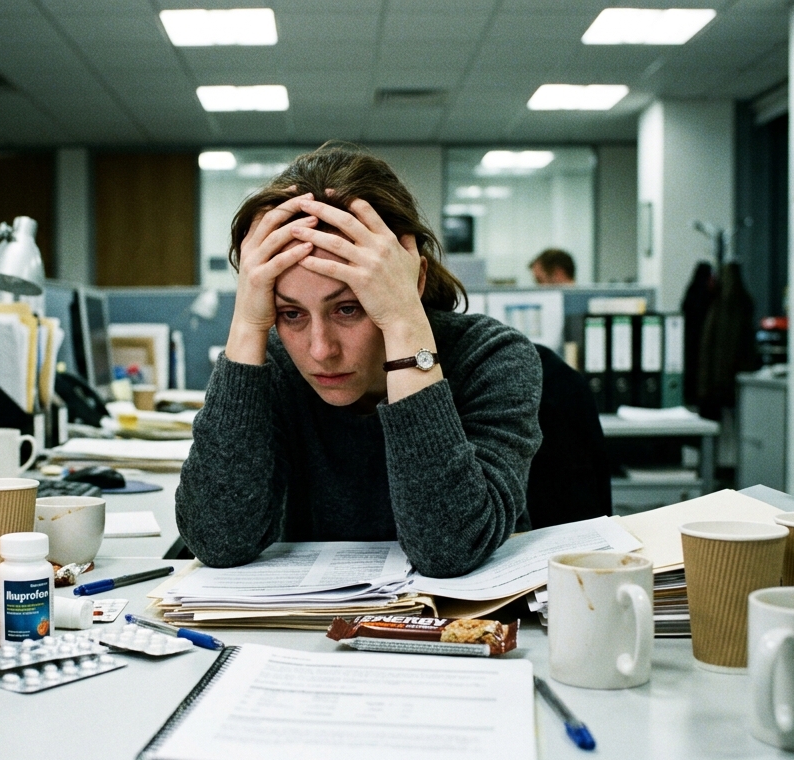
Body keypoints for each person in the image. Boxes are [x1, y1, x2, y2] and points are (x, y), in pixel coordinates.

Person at [176, 143, 543, 579]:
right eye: (290, 313)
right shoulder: (275, 368)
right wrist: (248, 326)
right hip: (304, 635)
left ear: (413, 280)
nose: (320, 350)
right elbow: (218, 542)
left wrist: (405, 320)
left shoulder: (492, 358)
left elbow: (449, 549)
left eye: (348, 308)